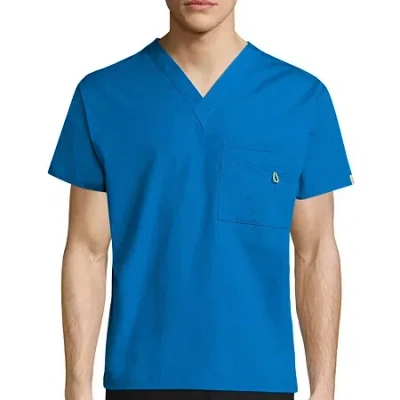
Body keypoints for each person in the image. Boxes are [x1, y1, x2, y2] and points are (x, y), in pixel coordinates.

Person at [49, 0, 353, 399]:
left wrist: (325, 388)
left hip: (259, 380)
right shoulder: (102, 96)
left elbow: (315, 252)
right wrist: (76, 386)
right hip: (139, 380)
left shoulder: (301, 99)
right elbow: (86, 250)